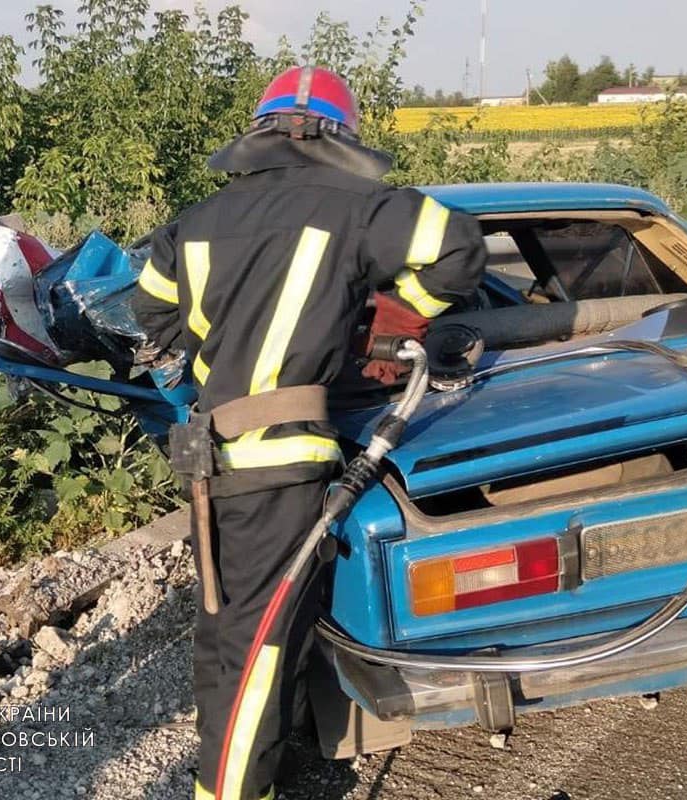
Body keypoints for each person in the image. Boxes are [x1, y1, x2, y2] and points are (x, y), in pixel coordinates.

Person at [132, 65, 488, 800]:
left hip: (215, 457)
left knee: (231, 635)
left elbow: (155, 315)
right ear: (340, 139)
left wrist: (228, 342)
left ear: (259, 135)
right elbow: (460, 249)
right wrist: (393, 314)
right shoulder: (359, 206)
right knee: (256, 647)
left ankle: (271, 767)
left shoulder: (193, 225)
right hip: (283, 458)